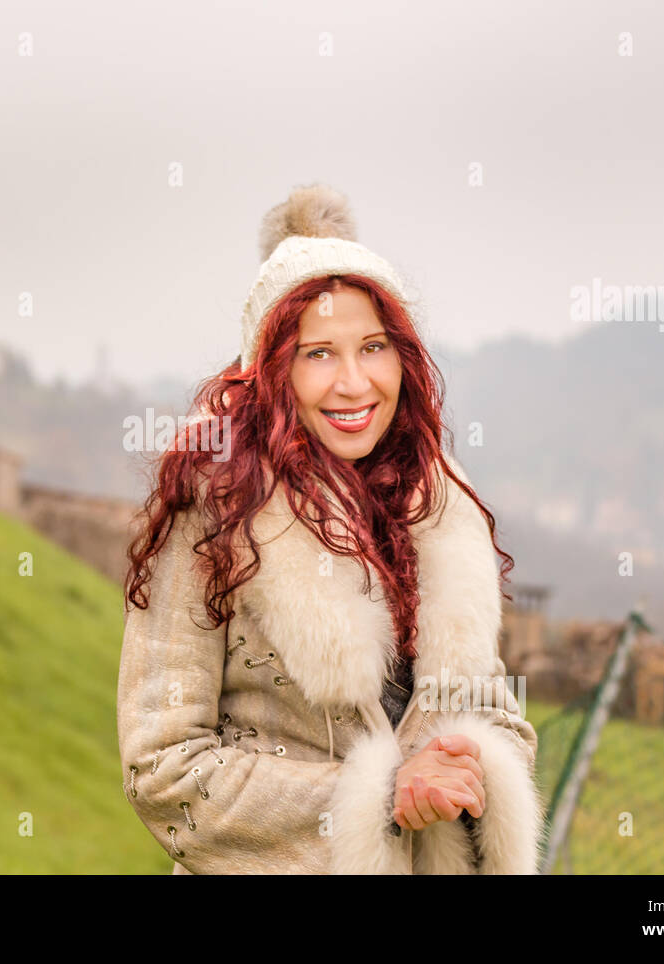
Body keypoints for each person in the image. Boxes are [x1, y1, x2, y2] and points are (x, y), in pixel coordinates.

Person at [118, 183, 544, 874]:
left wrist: (468, 765)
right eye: (319, 353)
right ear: (271, 371)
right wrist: (379, 798)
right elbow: (163, 771)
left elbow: (499, 716)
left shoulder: (439, 505)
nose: (354, 383)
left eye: (373, 346)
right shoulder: (213, 510)